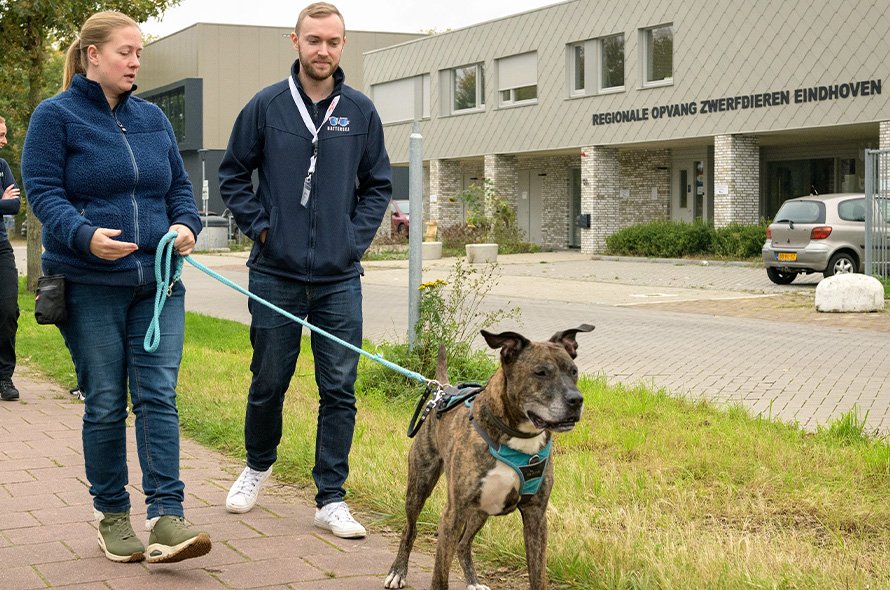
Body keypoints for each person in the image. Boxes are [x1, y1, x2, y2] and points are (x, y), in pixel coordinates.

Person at [21, 11, 211, 564]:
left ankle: (167, 516)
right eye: (125, 52)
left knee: (158, 397)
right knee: (105, 401)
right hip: (89, 284)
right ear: (92, 55)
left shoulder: (152, 118)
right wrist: (84, 236)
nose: (134, 63)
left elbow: (179, 188)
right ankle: (111, 515)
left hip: (158, 284)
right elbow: (42, 191)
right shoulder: (55, 116)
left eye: (139, 54)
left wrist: (187, 225)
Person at [218, 2, 391, 539]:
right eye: (314, 40)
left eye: (333, 41)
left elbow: (378, 185)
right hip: (276, 272)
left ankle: (331, 498)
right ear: (295, 41)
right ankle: (257, 466)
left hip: (339, 279)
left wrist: (352, 241)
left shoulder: (359, 111)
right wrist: (263, 230)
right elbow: (232, 175)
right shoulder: (266, 105)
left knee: (339, 387)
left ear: (343, 45)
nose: (323, 50)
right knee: (269, 379)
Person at [0, 116, 21, 402]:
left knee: (7, 309)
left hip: (1, 247)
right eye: (1, 135)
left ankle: (4, 376)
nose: (5, 140)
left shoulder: (2, 167)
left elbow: (14, 205)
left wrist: (5, 201)